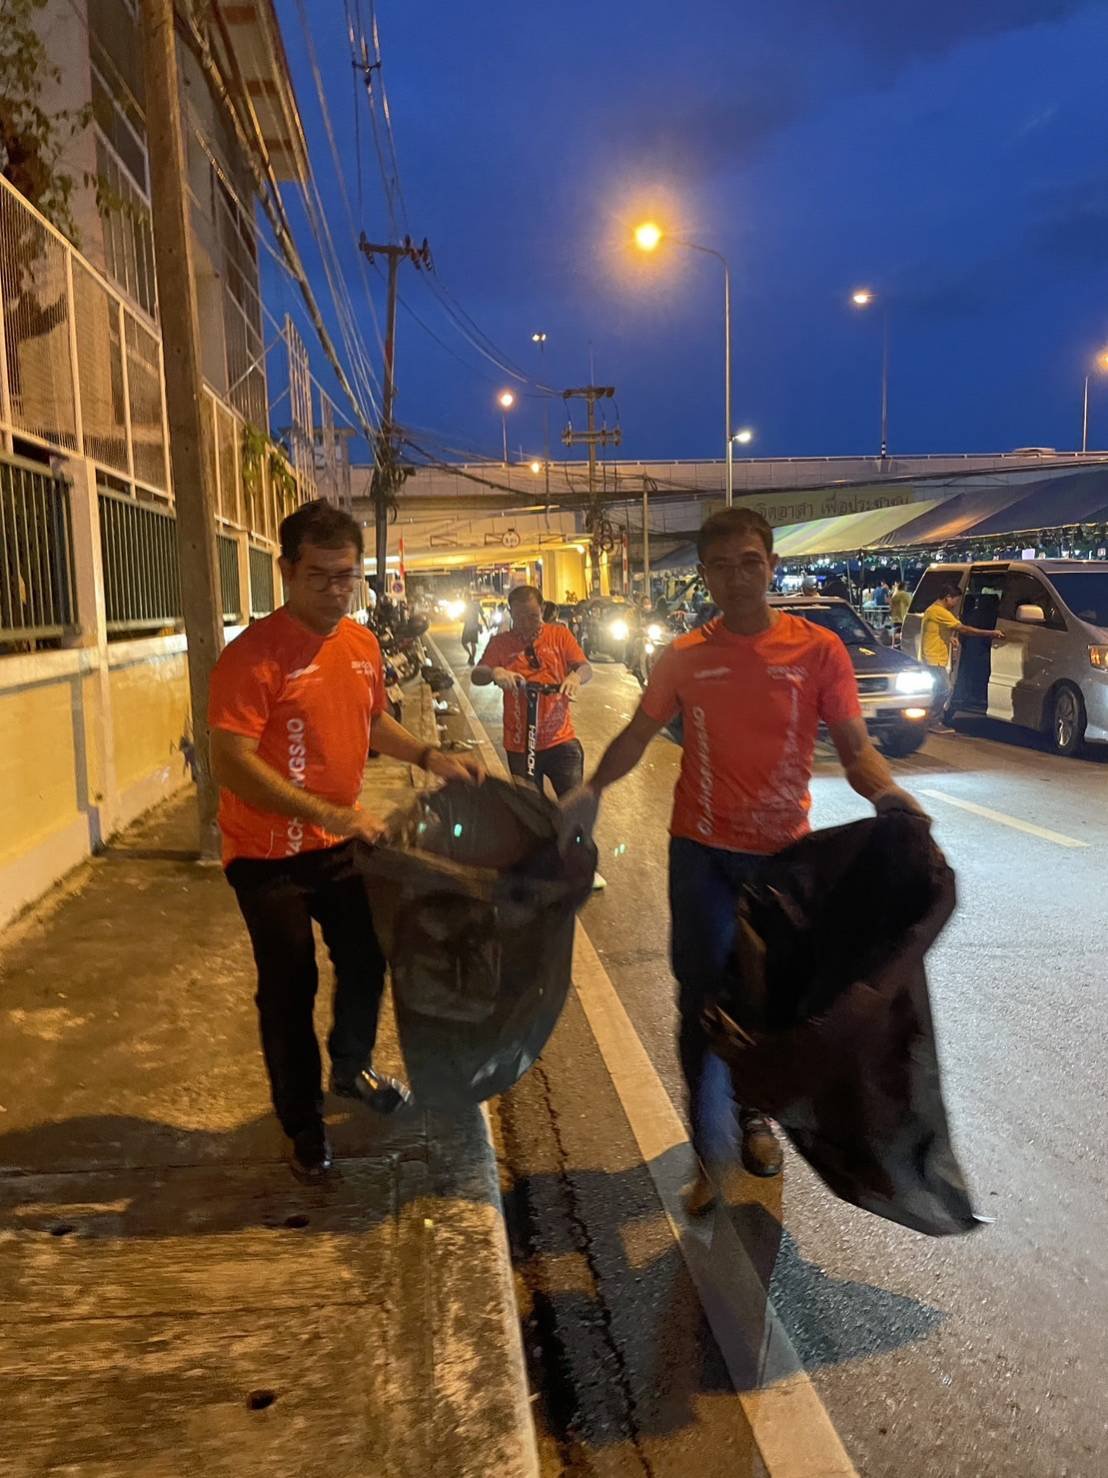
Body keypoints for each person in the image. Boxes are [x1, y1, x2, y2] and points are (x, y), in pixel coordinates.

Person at [564, 506, 926, 1215]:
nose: (737, 578)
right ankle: (709, 1151)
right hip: (701, 853)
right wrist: (591, 789)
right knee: (702, 999)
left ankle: (754, 1117)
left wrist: (889, 796)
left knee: (769, 1004)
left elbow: (855, 749)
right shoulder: (684, 655)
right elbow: (638, 732)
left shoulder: (819, 650)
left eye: (750, 563)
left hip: (784, 861)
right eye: (721, 567)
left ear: (772, 566)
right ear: (704, 575)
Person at [209, 500, 484, 1184]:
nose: (337, 591)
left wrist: (430, 756)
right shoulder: (252, 657)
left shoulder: (360, 644)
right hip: (266, 856)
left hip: (336, 844)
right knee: (289, 985)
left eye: (347, 576)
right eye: (320, 577)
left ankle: (351, 1066)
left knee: (367, 956)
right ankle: (302, 1123)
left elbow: (373, 720)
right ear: (286, 571)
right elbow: (232, 763)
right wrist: (332, 815)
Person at [473, 585, 605, 889]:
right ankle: (533, 868)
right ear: (510, 614)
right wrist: (496, 673)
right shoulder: (501, 643)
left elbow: (584, 667)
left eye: (532, 616)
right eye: (519, 617)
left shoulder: (559, 635)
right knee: (526, 809)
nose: (526, 624)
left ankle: (581, 865)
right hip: (520, 742)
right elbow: (478, 674)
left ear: (542, 609)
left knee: (573, 805)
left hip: (561, 739)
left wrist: (574, 677)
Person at [920, 583, 1006, 735]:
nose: (956, 604)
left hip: (933, 657)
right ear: (948, 597)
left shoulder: (932, 610)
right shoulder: (939, 611)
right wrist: (990, 633)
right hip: (933, 658)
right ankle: (933, 721)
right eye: (956, 600)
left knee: (938, 689)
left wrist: (950, 638)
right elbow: (964, 629)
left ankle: (928, 719)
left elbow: (936, 630)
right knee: (945, 688)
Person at [460, 595, 484, 665]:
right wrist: (485, 625)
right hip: (474, 627)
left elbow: (462, 618)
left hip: (468, 627)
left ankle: (470, 656)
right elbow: (482, 615)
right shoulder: (477, 605)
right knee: (473, 644)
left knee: (464, 642)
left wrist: (462, 618)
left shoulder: (467, 606)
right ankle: (472, 658)